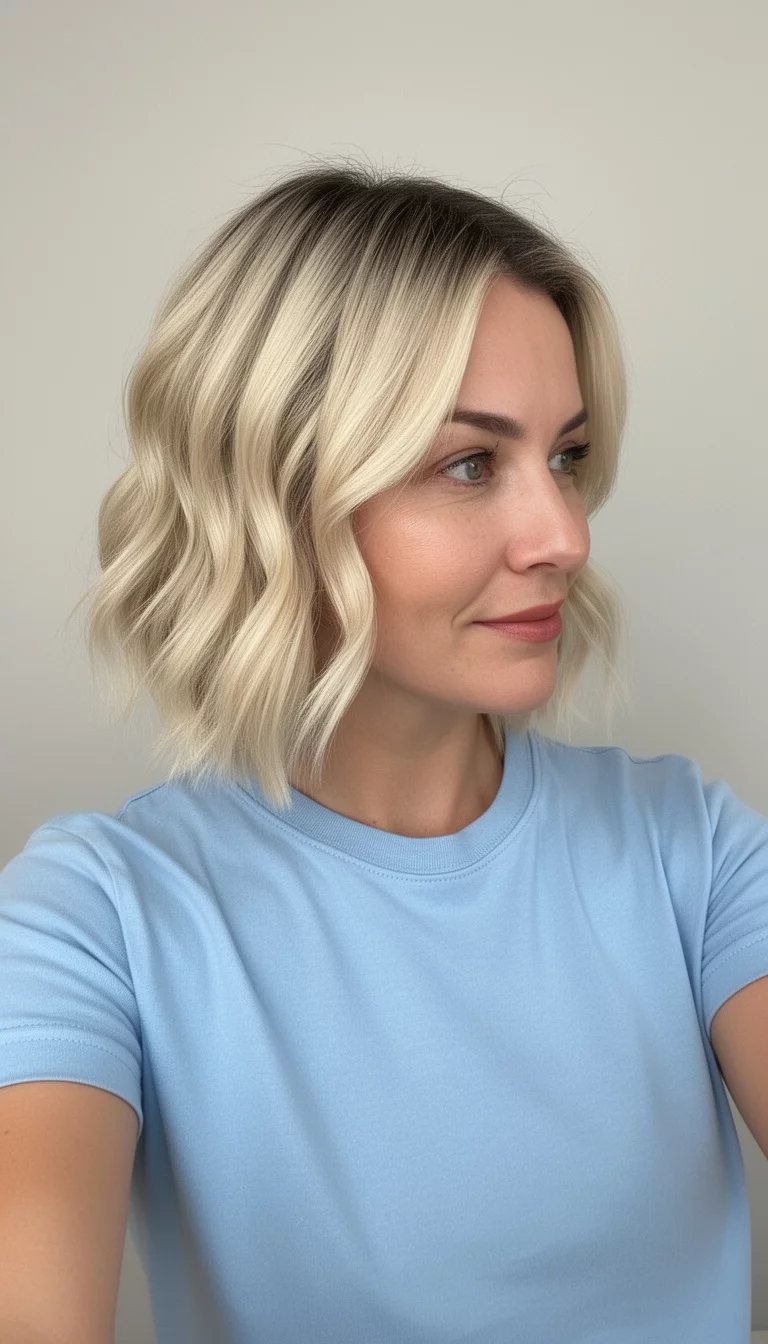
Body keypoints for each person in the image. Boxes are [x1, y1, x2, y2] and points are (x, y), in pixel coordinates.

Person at [1, 159, 767, 1344]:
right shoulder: (96, 916)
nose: (564, 534)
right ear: (275, 492)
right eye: (470, 463)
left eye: (565, 455)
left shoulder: (691, 853)